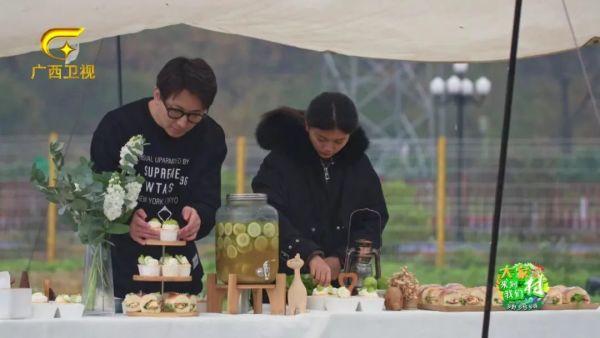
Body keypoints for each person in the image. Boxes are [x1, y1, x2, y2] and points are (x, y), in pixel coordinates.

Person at [90, 56, 227, 298]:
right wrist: (125, 221)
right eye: (175, 111)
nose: (183, 123)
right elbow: (97, 197)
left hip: (180, 276)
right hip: (122, 279)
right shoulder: (118, 126)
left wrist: (199, 218)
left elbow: (209, 201)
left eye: (195, 115)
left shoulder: (210, 136)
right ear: (157, 95)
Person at [252, 92, 388, 286]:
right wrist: (309, 255)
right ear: (307, 126)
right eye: (321, 138)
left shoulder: (358, 164)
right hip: (286, 279)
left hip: (343, 282)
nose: (328, 148)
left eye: (339, 141)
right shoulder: (280, 161)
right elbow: (267, 214)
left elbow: (373, 217)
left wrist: (342, 257)